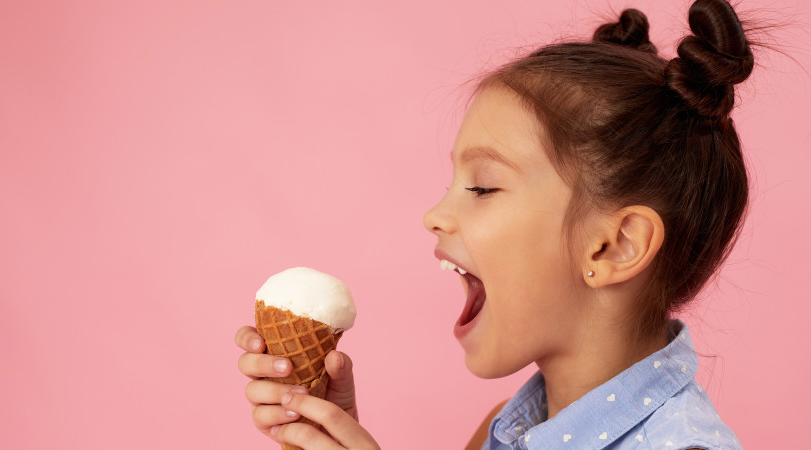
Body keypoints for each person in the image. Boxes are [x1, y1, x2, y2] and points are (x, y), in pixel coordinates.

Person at [235, 0, 755, 447]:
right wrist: (325, 432)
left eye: (482, 187)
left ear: (613, 246)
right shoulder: (507, 429)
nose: (434, 215)